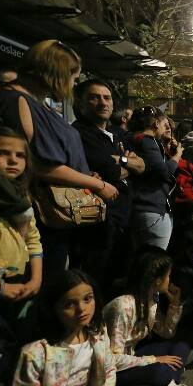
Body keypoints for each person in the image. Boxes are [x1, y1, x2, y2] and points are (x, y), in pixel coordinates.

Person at [0, 40, 119, 276]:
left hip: (53, 219)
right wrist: (96, 184)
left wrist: (83, 176)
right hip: (36, 219)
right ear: (57, 74)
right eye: (73, 77)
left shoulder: (34, 102)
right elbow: (38, 165)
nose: (73, 84)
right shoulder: (16, 102)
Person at [8, 269, 156, 386]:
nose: (81, 309)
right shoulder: (35, 353)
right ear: (53, 308)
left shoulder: (97, 333)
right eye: (69, 304)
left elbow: (108, 371)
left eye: (87, 299)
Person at [72, 80, 145, 292]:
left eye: (107, 97)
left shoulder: (114, 135)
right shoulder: (79, 133)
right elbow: (109, 170)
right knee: (96, 285)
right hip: (99, 225)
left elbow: (141, 166)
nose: (103, 103)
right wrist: (124, 163)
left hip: (122, 221)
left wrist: (120, 161)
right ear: (81, 104)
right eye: (95, 97)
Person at [103, 247, 193, 386]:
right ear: (158, 280)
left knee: (182, 341)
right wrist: (153, 360)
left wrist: (174, 305)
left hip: (132, 356)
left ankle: (167, 382)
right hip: (114, 370)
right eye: (168, 276)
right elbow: (112, 360)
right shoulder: (123, 306)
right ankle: (168, 380)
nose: (170, 280)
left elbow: (167, 333)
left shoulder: (151, 298)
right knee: (158, 371)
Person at [0, 126, 42, 341]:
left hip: (18, 284)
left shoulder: (21, 198)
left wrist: (35, 280)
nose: (13, 160)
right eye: (0, 153)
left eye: (20, 155)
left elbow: (33, 240)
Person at [128, 107, 181, 249]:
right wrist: (177, 156)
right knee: (155, 260)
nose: (166, 129)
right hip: (151, 209)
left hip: (145, 208)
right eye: (165, 125)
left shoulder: (137, 139)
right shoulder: (147, 141)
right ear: (156, 123)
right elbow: (163, 173)